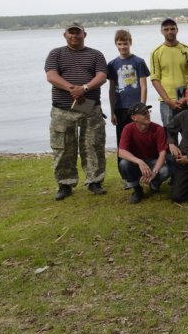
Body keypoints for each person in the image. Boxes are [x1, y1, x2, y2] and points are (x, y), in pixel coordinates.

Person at [45, 22, 108, 200]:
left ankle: (95, 181)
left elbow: (102, 76)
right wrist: (72, 88)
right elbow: (51, 76)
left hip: (90, 107)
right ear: (64, 35)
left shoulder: (96, 55)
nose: (74, 36)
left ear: (84, 35)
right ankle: (65, 183)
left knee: (93, 145)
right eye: (70, 33)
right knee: (63, 147)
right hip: (62, 109)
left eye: (77, 33)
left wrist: (85, 88)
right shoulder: (55, 54)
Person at [107, 29, 150, 165]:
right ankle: (125, 171)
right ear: (116, 44)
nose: (123, 47)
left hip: (136, 107)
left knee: (138, 138)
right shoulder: (112, 64)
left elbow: (143, 86)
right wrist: (112, 111)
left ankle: (141, 167)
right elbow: (112, 89)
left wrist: (142, 108)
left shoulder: (139, 62)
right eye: (120, 44)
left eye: (125, 43)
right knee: (123, 140)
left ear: (130, 43)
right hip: (120, 108)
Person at [117, 103, 171, 204]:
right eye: (143, 113)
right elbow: (121, 152)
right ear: (134, 117)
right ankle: (137, 190)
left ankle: (154, 183)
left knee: (166, 170)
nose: (147, 115)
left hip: (152, 162)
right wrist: (139, 161)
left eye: (147, 112)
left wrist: (154, 172)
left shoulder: (158, 129)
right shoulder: (128, 129)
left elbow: (162, 153)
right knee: (124, 164)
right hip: (136, 164)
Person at [149, 18, 188, 128]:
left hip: (185, 100)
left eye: (172, 28)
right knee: (169, 136)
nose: (170, 31)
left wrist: (186, 97)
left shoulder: (187, 50)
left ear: (177, 30)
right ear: (162, 31)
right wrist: (168, 100)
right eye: (166, 29)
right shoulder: (156, 52)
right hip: (166, 102)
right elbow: (155, 79)